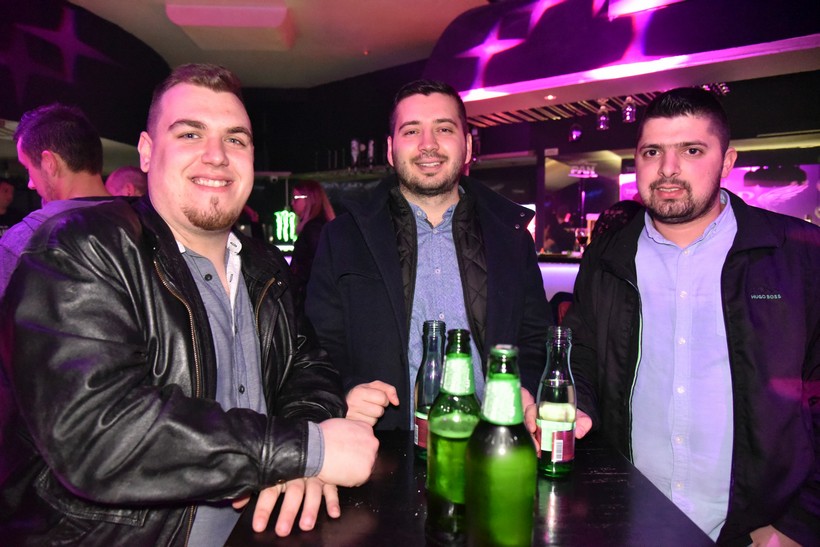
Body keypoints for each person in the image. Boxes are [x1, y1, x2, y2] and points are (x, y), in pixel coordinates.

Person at [0, 63, 377, 546]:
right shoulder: (81, 247)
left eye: (235, 139)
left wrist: (303, 458)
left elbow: (307, 367)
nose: (216, 155)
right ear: (146, 151)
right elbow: (98, 432)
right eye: (190, 134)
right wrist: (307, 449)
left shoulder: (264, 265)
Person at [560, 87, 819, 545]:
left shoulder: (798, 255)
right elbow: (581, 355)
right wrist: (575, 405)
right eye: (652, 152)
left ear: (727, 161)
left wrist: (799, 525)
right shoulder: (607, 258)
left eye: (692, 150)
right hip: (631, 519)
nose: (668, 169)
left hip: (755, 531)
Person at [306, 79, 551, 430]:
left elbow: (535, 338)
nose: (428, 144)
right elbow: (318, 345)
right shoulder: (343, 238)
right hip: (381, 445)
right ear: (390, 149)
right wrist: (344, 389)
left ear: (468, 146)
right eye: (411, 131)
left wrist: (525, 388)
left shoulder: (511, 238)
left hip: (489, 443)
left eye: (444, 129)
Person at [0, 103, 112, 295]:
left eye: (28, 168)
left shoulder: (24, 240)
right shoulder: (143, 223)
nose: (31, 184)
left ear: (49, 163)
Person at [290, 179, 335, 314]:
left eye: (296, 198)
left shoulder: (314, 228)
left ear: (309, 199)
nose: (292, 203)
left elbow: (318, 265)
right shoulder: (321, 226)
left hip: (313, 302)